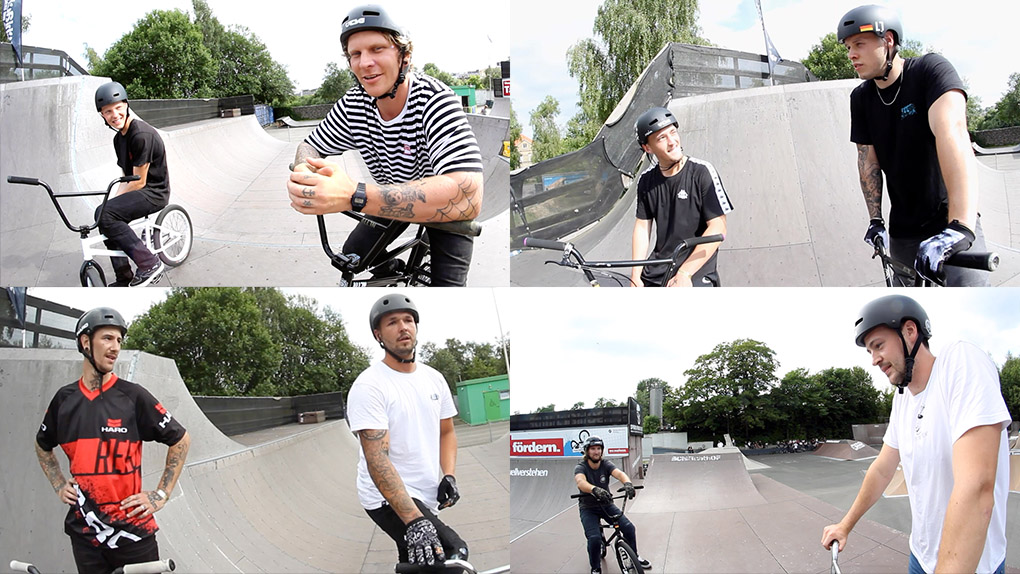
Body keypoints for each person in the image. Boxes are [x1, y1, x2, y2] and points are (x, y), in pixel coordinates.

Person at [287, 5, 485, 287]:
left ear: (403, 56)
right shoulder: (354, 104)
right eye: (355, 54)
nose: (365, 62)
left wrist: (354, 194)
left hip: (444, 211)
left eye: (377, 49)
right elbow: (310, 144)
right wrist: (305, 170)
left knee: (449, 288)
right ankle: (392, 269)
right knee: (350, 256)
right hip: (388, 199)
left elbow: (468, 196)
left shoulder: (435, 100)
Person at [821, 295, 1008, 574]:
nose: (874, 360)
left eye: (878, 346)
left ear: (910, 331)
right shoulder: (903, 400)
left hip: (973, 564)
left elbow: (977, 487)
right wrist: (845, 525)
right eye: (869, 352)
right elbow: (882, 469)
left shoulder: (960, 362)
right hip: (920, 558)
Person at [838, 5, 989, 286]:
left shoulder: (929, 71)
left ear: (889, 40)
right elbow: (867, 162)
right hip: (903, 234)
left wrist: (961, 225)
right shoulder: (861, 98)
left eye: (858, 44)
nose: (851, 55)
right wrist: (875, 221)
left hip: (949, 223)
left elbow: (953, 132)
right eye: (848, 47)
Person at [34, 307, 191, 573]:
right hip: (85, 533)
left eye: (119, 340)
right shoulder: (64, 400)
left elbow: (181, 440)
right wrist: (59, 484)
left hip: (133, 533)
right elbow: (42, 444)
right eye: (107, 338)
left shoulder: (133, 396)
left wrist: (161, 493)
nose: (115, 347)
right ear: (86, 342)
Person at [346, 293, 467, 566]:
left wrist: (449, 475)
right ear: (378, 335)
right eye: (392, 323)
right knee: (452, 554)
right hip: (385, 496)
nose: (403, 327)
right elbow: (377, 460)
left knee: (417, 561)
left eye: (408, 320)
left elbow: (446, 432)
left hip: (424, 493)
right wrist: (413, 520)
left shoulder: (434, 379)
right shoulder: (370, 386)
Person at [630, 107, 733, 287]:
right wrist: (635, 275)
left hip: (695, 270)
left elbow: (718, 227)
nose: (672, 142)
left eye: (673, 132)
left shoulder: (701, 172)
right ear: (647, 147)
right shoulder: (646, 181)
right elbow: (642, 227)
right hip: (658, 270)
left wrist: (685, 273)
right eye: (662, 138)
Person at [94, 81, 170, 287]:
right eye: (108, 111)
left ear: (127, 105)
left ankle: (149, 264)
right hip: (138, 189)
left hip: (154, 192)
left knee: (106, 214)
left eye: (118, 108)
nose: (114, 115)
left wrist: (110, 209)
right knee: (102, 215)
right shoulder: (119, 139)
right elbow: (125, 177)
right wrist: (110, 205)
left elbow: (139, 182)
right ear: (102, 115)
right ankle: (124, 276)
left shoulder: (141, 135)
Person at [574, 436, 651, 574]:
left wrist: (627, 483)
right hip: (588, 508)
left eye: (598, 449)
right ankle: (596, 568)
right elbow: (580, 482)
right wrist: (594, 489)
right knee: (594, 538)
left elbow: (619, 474)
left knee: (628, 528)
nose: (596, 452)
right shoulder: (581, 467)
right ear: (586, 451)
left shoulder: (606, 464)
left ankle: (634, 556)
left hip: (606, 504)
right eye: (592, 449)